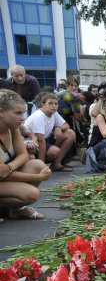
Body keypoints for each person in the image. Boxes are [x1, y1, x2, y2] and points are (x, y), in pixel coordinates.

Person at [0, 89, 51, 220]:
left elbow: (23, 155)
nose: (22, 118)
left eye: (23, 113)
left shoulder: (13, 127)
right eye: (17, 113)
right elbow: (1, 174)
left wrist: (9, 167)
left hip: (5, 174)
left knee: (38, 165)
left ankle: (15, 209)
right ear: (1, 112)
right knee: (32, 193)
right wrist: (39, 177)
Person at [24, 93, 76, 172]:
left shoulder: (54, 113)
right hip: (33, 142)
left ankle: (56, 164)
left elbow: (66, 125)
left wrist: (58, 127)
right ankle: (40, 165)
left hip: (46, 139)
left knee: (70, 133)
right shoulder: (39, 116)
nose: (54, 106)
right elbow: (41, 141)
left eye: (56, 103)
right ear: (43, 105)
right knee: (55, 151)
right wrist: (42, 167)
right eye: (50, 103)